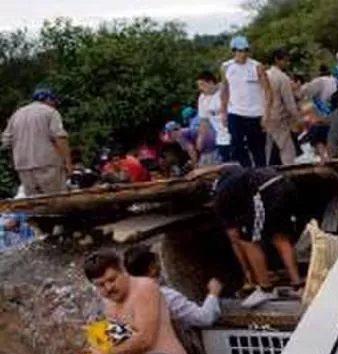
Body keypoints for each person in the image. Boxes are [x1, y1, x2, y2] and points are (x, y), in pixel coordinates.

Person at [83, 251, 192, 354]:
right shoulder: (109, 302)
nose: (108, 287)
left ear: (123, 270)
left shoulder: (145, 288)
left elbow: (145, 340)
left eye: (112, 279)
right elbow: (123, 340)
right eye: (100, 284)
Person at [213, 166, 319, 308]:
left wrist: (247, 273)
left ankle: (265, 288)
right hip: (284, 182)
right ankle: (297, 286)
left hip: (265, 191)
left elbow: (234, 239)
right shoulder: (234, 176)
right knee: (279, 237)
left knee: (249, 241)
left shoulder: (220, 201)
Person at [123, 245, 222, 328]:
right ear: (152, 268)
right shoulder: (166, 296)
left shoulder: (125, 298)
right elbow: (204, 318)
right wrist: (213, 293)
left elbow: (113, 337)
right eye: (157, 260)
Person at [1, 87, 71, 196]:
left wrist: (16, 161)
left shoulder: (17, 114)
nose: (54, 104)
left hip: (23, 166)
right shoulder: (50, 112)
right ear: (48, 99)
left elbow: (6, 142)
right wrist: (68, 163)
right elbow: (60, 137)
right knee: (55, 200)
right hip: (48, 165)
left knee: (35, 203)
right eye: (53, 101)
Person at [221, 36, 271, 168]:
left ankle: (261, 172)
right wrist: (223, 112)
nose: (242, 54)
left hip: (254, 113)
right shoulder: (226, 67)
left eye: (245, 51)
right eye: (239, 51)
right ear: (234, 51)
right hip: (235, 112)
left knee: (257, 147)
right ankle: (247, 170)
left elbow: (267, 91)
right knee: (236, 145)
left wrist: (266, 114)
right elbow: (225, 90)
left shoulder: (257, 66)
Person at [264, 48, 303, 166]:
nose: (287, 64)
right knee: (288, 152)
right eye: (285, 61)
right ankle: (289, 176)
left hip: (264, 118)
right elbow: (289, 104)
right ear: (277, 60)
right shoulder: (283, 78)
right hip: (279, 118)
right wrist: (298, 120)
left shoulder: (265, 75)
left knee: (267, 150)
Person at [196, 71, 232, 164]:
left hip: (235, 135)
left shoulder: (226, 91)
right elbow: (204, 120)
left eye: (202, 85)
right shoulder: (202, 98)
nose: (200, 88)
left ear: (211, 82)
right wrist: (200, 138)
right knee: (227, 165)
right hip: (221, 138)